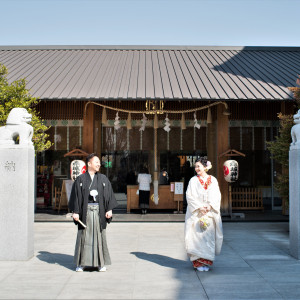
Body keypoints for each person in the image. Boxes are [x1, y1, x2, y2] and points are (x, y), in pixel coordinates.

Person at [69, 153, 118, 272]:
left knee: (99, 236)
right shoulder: (80, 179)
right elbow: (76, 196)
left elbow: (108, 195)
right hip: (85, 213)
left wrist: (109, 209)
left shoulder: (102, 179)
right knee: (84, 237)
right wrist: (75, 212)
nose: (99, 164)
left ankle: (100, 263)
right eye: (96, 162)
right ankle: (81, 263)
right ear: (89, 163)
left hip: (98, 212)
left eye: (99, 162)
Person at [184, 157, 223, 272]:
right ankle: (198, 263)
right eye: (195, 166)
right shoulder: (193, 180)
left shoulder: (213, 180)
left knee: (208, 238)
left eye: (198, 166)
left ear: (205, 167)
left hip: (209, 213)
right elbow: (189, 196)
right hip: (197, 213)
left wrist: (210, 206)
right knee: (197, 238)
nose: (196, 169)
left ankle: (206, 263)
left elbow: (217, 195)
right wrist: (199, 207)